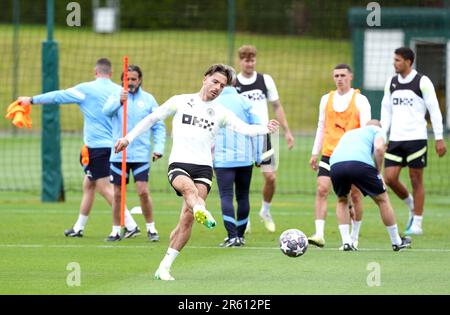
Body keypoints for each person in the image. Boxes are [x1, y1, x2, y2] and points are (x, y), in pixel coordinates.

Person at [115, 64, 279, 280]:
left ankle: (164, 267)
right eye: (215, 82)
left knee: (187, 220)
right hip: (179, 164)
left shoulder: (221, 112)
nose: (218, 87)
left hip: (203, 167)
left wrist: (265, 128)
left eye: (222, 85)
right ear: (205, 79)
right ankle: (201, 209)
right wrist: (128, 138)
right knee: (189, 190)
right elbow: (152, 119)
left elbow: (245, 129)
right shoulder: (180, 100)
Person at [18, 58, 140, 237]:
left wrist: (31, 100)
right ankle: (78, 227)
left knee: (104, 188)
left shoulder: (85, 89)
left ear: (95, 72)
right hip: (115, 145)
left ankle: (131, 224)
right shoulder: (119, 91)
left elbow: (57, 96)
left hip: (97, 147)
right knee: (88, 185)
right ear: (111, 74)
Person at [381, 47, 447, 235]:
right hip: (395, 140)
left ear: (408, 62)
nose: (395, 63)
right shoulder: (391, 83)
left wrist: (439, 138)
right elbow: (386, 111)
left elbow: (434, 110)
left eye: (398, 60)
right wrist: (382, 135)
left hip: (416, 139)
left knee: (416, 179)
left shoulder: (422, 82)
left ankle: (417, 222)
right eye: (394, 60)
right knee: (390, 178)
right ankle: (411, 205)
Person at [308, 64, 371, 249]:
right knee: (322, 189)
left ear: (350, 77)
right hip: (329, 154)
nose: (339, 78)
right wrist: (315, 152)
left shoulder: (360, 100)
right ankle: (319, 234)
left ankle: (354, 236)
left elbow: (367, 130)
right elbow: (321, 126)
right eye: (336, 75)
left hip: (352, 155)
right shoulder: (325, 99)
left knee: (356, 196)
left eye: (343, 75)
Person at [103, 64, 166, 242]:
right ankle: (116, 230)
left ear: (139, 80)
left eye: (133, 79)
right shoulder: (116, 96)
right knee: (117, 193)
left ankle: (151, 228)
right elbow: (106, 112)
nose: (130, 82)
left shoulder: (148, 100)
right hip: (118, 153)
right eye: (127, 79)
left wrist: (159, 148)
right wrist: (119, 101)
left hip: (140, 154)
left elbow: (159, 125)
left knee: (143, 191)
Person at [236, 45, 294, 233]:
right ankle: (244, 219)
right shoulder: (233, 83)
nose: (249, 63)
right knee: (241, 180)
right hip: (243, 136)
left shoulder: (265, 80)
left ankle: (265, 211)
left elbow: (277, 106)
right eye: (246, 60)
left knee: (270, 177)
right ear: (240, 61)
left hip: (263, 135)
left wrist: (287, 131)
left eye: (252, 59)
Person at [329, 120, 411, 251]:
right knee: (383, 200)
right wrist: (378, 171)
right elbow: (379, 149)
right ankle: (397, 241)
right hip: (360, 164)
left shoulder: (350, 133)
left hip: (335, 165)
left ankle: (346, 242)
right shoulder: (378, 130)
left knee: (342, 200)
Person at [213, 77, 261, 247]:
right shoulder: (244, 101)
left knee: (226, 196)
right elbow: (258, 127)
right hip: (245, 158)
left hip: (222, 159)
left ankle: (232, 236)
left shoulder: (213, 102)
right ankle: (240, 237)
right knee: (243, 196)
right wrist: (258, 156)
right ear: (235, 83)